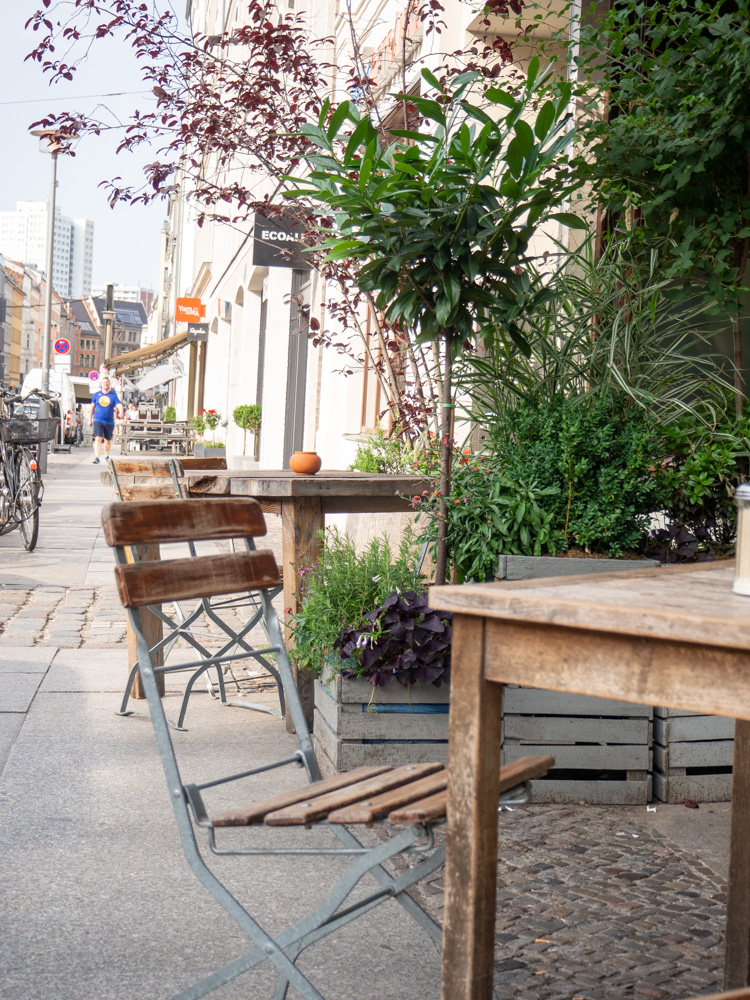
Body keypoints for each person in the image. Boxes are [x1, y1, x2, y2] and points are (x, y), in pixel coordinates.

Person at [88, 376, 124, 464]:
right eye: (104, 382)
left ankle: (106, 456)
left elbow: (119, 405)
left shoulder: (113, 395)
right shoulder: (96, 395)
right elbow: (92, 407)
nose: (105, 384)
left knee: (108, 440)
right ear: (101, 384)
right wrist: (90, 419)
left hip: (109, 421)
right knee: (98, 438)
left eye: (107, 382)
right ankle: (97, 457)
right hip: (98, 419)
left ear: (109, 384)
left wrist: (121, 412)